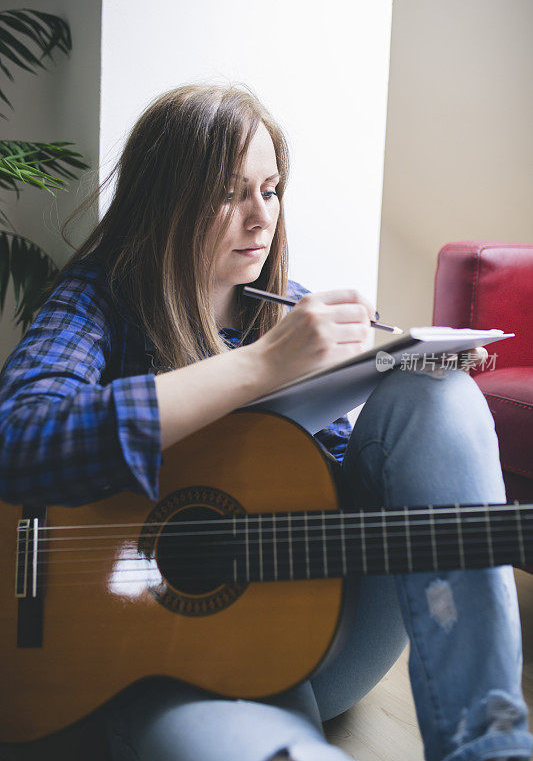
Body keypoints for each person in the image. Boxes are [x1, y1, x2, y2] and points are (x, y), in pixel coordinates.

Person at [0, 83, 530, 761]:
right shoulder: (95, 302)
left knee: (438, 393)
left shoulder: (289, 313)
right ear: (164, 199)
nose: (259, 218)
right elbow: (20, 442)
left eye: (269, 191)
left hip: (330, 627)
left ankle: (491, 747)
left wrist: (405, 368)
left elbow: (319, 473)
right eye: (228, 194)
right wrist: (259, 368)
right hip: (170, 660)